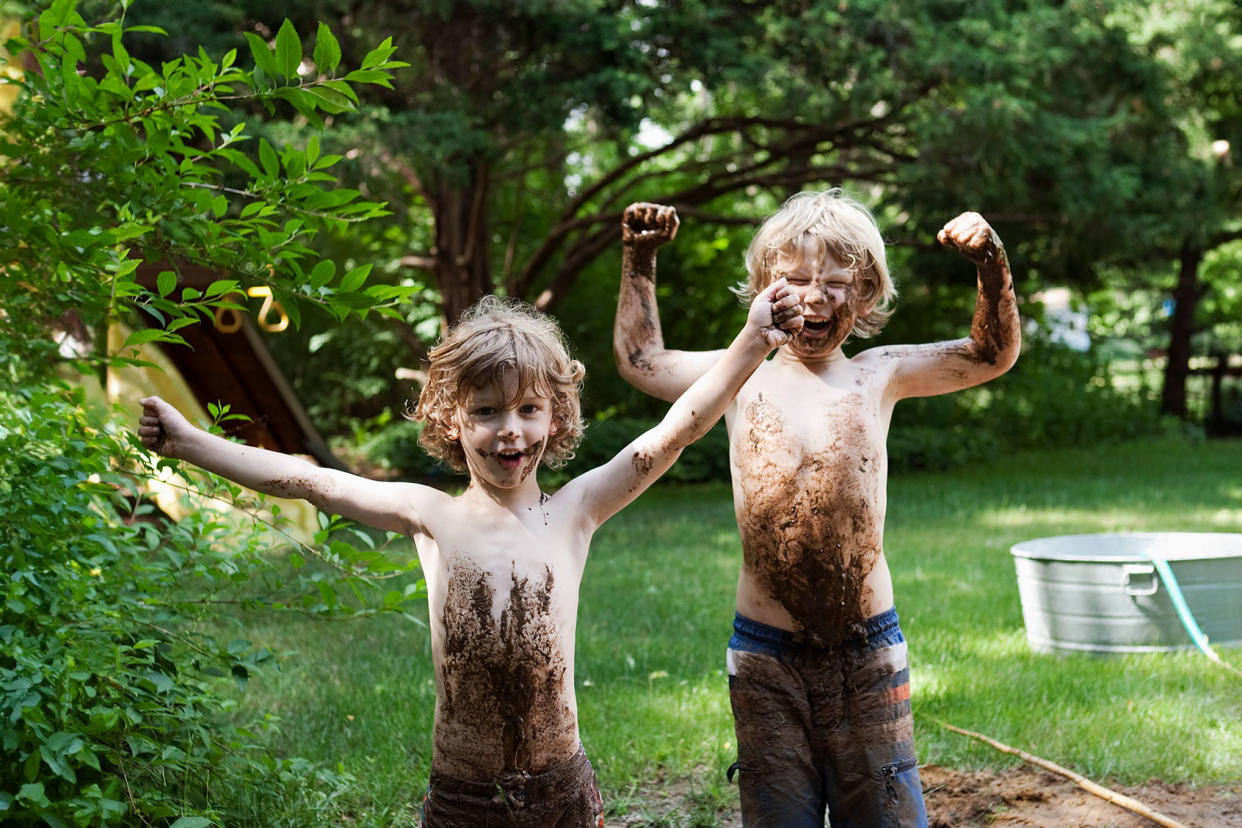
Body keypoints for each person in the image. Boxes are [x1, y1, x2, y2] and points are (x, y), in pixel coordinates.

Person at [138, 272, 804, 827]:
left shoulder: (577, 510)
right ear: (452, 419)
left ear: (556, 416)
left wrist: (751, 339)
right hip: (462, 797)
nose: (508, 432)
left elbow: (673, 434)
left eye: (528, 411)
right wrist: (187, 441)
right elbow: (310, 481)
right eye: (485, 412)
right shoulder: (430, 516)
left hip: (561, 792)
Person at [613, 192, 1020, 828]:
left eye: (837, 283)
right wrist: (639, 260)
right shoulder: (734, 374)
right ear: (763, 288)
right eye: (796, 280)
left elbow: (990, 353)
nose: (815, 296)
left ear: (865, 295)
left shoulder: (878, 373)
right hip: (766, 653)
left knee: (886, 814)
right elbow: (641, 361)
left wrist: (990, 263)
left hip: (867, 648)